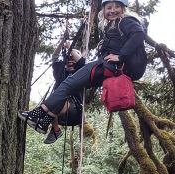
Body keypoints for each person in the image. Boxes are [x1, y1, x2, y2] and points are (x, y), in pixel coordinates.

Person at [19, 0, 146, 135]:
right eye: (109, 8)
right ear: (103, 10)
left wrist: (121, 56)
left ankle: (36, 114)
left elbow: (138, 34)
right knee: (69, 87)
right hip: (111, 67)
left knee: (68, 85)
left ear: (123, 9)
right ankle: (44, 123)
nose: (112, 10)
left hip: (107, 65)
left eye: (117, 7)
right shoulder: (113, 25)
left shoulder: (126, 21)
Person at [42, 40, 85, 144]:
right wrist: (62, 42)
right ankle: (55, 129)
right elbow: (55, 57)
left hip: (75, 111)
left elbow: (81, 62)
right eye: (68, 59)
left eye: (72, 59)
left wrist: (70, 47)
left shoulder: (82, 72)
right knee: (50, 101)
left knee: (55, 100)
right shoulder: (60, 72)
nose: (70, 61)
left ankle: (54, 129)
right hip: (61, 115)